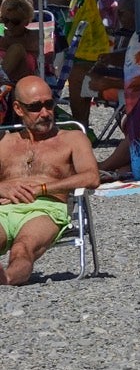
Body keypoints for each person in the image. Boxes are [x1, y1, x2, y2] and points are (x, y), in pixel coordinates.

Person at [0, 76, 98, 284]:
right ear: (18, 109)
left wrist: (42, 188)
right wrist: (3, 187)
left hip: (46, 208)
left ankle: (7, 278)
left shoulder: (72, 139)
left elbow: (91, 177)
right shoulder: (6, 143)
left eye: (49, 104)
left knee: (23, 248)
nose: (45, 113)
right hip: (5, 208)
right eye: (35, 107)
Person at [0, 0, 38, 81]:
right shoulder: (1, 31)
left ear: (26, 21)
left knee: (17, 48)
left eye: (15, 22)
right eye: (5, 20)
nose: (9, 25)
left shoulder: (33, 35)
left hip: (22, 74)